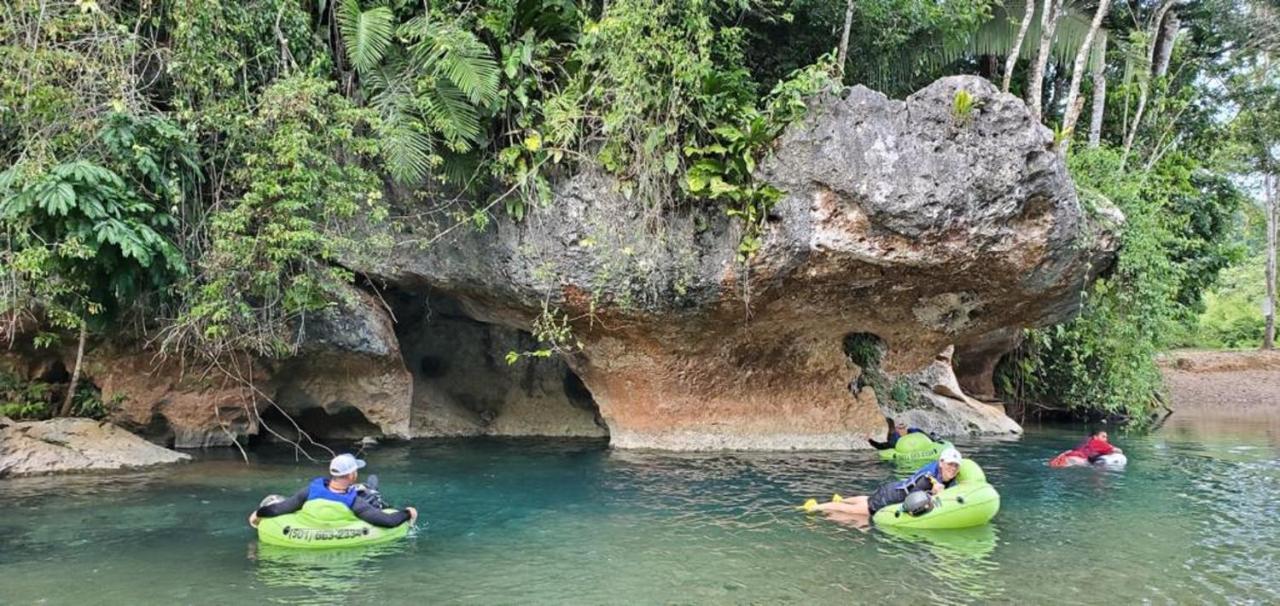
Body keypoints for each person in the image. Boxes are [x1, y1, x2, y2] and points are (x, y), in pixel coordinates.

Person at [248, 453, 417, 528]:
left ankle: (370, 488)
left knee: (367, 491)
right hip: (354, 508)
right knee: (372, 496)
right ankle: (371, 489)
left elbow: (280, 508)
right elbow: (388, 522)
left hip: (308, 527)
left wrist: (258, 513)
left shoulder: (310, 491)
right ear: (352, 475)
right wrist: (408, 513)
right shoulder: (354, 503)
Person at [803, 447, 964, 518]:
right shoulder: (929, 479)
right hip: (889, 497)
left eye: (956, 465)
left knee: (867, 499)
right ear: (941, 462)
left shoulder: (944, 475)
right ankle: (816, 506)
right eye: (950, 464)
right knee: (858, 512)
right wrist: (934, 494)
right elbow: (912, 503)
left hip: (892, 488)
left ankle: (841, 498)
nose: (953, 468)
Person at [1049, 429, 1122, 467]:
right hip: (1077, 460)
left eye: (1106, 437)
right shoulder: (1098, 442)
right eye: (1103, 436)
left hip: (1067, 456)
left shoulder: (1086, 441)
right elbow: (1118, 451)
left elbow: (1072, 450)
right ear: (1095, 437)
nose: (1105, 439)